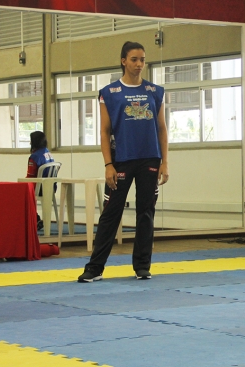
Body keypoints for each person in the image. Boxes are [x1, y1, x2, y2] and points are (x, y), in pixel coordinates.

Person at [78, 41, 169, 282]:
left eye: (142, 60)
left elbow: (162, 129)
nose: (139, 64)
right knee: (110, 214)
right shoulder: (109, 93)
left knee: (146, 213)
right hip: (121, 160)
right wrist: (108, 164)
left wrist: (165, 162)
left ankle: (142, 266)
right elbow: (105, 132)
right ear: (123, 61)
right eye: (134, 60)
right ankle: (94, 268)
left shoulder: (155, 91)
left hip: (150, 158)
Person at [27, 131, 56, 231]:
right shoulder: (49, 153)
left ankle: (34, 218)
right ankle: (35, 218)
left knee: (20, 192)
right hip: (51, 187)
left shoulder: (34, 157)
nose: (30, 143)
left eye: (31, 141)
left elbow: (30, 177)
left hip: (39, 188)